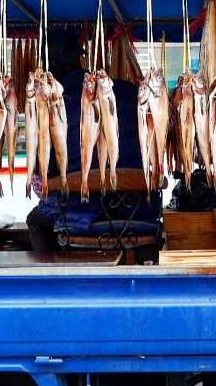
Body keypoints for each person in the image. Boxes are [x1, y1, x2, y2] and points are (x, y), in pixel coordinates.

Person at [27, 29, 155, 252]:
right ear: (79, 58)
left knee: (35, 221)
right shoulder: (128, 91)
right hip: (140, 210)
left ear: (49, 69)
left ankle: (55, 280)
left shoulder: (49, 107)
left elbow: (44, 173)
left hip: (76, 214)